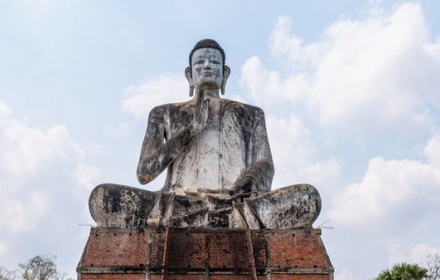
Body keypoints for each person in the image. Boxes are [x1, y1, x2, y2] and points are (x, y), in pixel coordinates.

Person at [89, 39, 321, 230]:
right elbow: (145, 173)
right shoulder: (164, 113)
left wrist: (241, 188)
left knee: (307, 197)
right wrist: (191, 129)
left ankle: (214, 217)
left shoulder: (251, 114)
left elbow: (265, 165)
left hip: (236, 204)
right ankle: (220, 219)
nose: (207, 66)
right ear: (190, 75)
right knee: (103, 198)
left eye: (214, 62)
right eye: (200, 62)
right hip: (176, 202)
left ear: (225, 73)